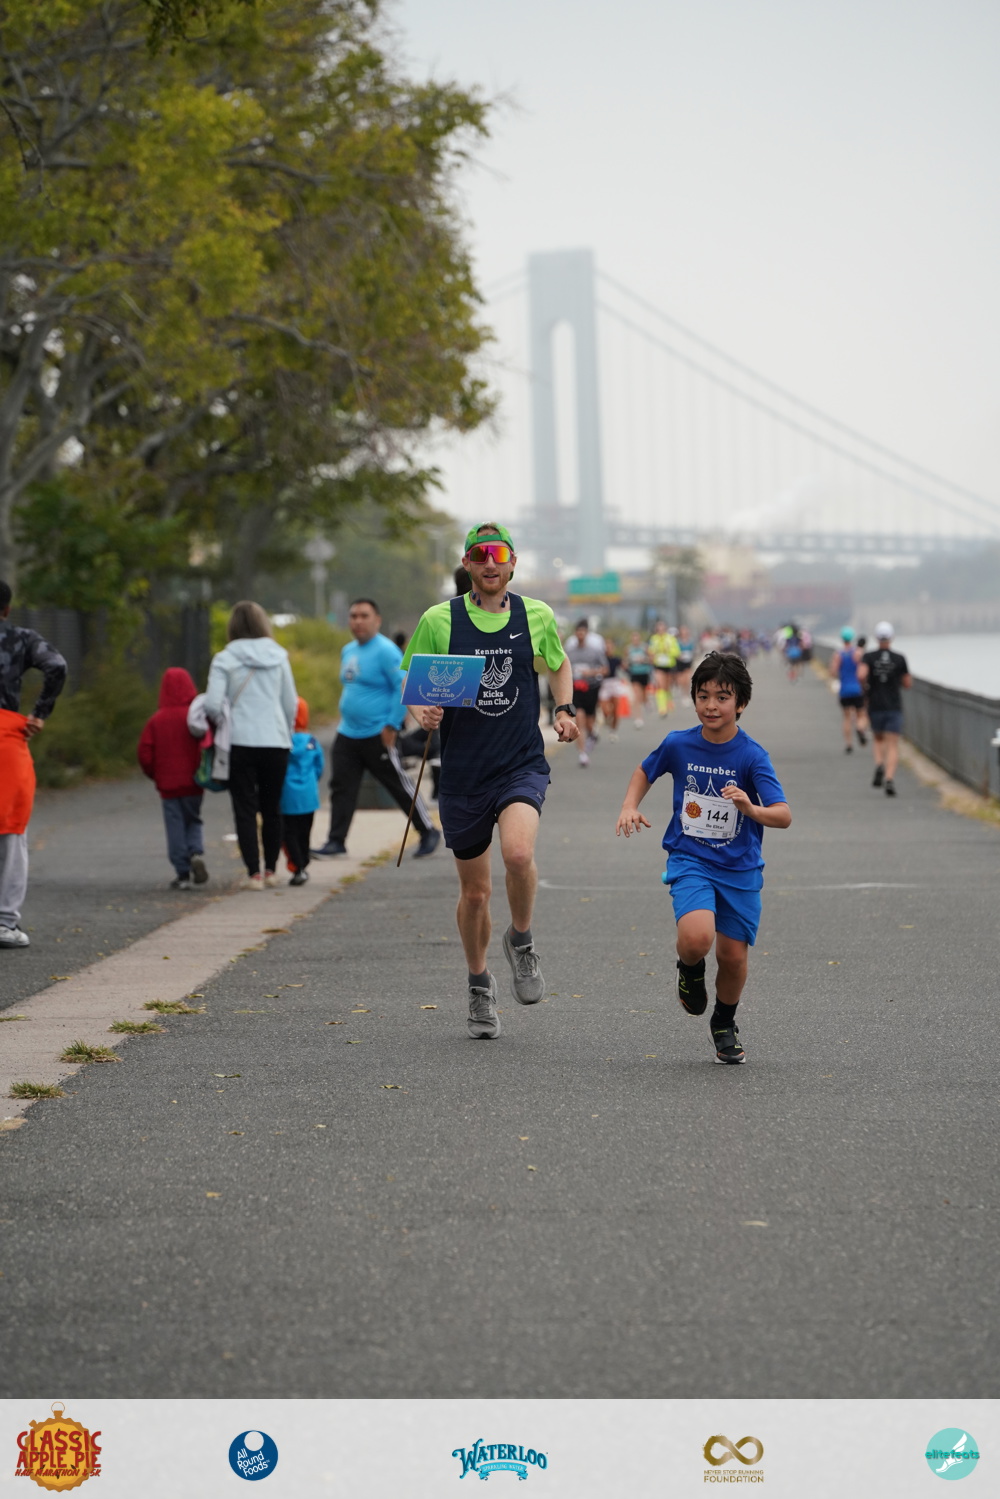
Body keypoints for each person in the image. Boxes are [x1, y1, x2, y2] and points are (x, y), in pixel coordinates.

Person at [403, 521, 580, 1039]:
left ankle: (521, 940)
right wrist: (422, 711)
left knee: (519, 854)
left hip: (519, 763)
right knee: (476, 894)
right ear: (467, 564)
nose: (488, 563)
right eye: (479, 555)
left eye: (498, 554)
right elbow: (413, 678)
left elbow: (558, 663)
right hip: (463, 772)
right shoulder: (440, 619)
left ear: (512, 563)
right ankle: (479, 984)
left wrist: (564, 708)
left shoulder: (534, 615)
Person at [615, 651, 791, 1065]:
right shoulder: (679, 743)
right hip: (690, 858)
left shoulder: (751, 756)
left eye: (722, 697)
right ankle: (690, 968)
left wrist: (750, 808)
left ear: (740, 703)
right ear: (693, 697)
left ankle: (724, 1021)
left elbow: (782, 815)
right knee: (697, 937)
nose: (711, 705)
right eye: (703, 696)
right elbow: (645, 770)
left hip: (740, 868)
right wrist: (629, 805)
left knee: (733, 957)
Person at [314, 598, 439, 859]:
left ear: (377, 620)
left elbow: (401, 687)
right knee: (341, 787)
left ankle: (428, 830)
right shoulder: (348, 650)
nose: (358, 621)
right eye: (353, 616)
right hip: (348, 733)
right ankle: (336, 841)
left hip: (378, 733)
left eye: (364, 616)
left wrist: (392, 724)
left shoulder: (386, 651)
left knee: (398, 785)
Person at [204, 601, 297, 889]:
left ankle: (253, 873)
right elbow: (290, 703)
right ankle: (271, 870)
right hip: (275, 741)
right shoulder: (279, 656)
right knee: (272, 807)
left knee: (244, 809)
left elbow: (211, 704)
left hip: (239, 742)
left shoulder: (224, 659)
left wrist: (225, 721)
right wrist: (286, 731)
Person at [0, 580, 67, 948]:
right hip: (5, 738)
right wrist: (40, 712)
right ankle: (4, 922)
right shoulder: (20, 639)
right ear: (7, 609)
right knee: (10, 830)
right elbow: (56, 665)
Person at [137, 668, 208, 890]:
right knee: (193, 819)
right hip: (194, 782)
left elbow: (144, 752)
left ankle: (182, 872)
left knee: (175, 825)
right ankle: (195, 851)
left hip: (168, 785)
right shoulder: (194, 719)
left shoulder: (156, 721)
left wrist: (155, 774)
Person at [859, 622, 911, 797]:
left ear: (876, 638)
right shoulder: (900, 658)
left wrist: (866, 687)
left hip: (875, 704)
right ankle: (889, 778)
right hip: (894, 706)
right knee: (893, 744)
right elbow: (907, 683)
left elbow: (861, 674)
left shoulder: (869, 657)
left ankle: (879, 764)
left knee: (878, 739)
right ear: (891, 638)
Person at [280, 697, 325, 885]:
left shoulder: (283, 741)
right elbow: (319, 767)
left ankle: (297, 866)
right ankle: (304, 861)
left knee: (289, 832)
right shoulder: (312, 742)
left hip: (287, 796)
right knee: (305, 831)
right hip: (308, 796)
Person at [565, 619, 608, 767]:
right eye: (578, 632)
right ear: (575, 633)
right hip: (576, 689)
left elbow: (605, 669)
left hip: (591, 688)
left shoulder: (594, 651)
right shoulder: (569, 652)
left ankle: (593, 734)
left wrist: (590, 672)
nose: (580, 635)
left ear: (587, 633)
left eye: (583, 632)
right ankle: (582, 754)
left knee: (590, 722)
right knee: (579, 720)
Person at [829, 627, 868, 753]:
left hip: (844, 689)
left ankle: (849, 744)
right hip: (857, 689)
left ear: (842, 639)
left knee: (846, 718)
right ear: (852, 638)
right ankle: (860, 728)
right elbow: (863, 672)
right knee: (861, 714)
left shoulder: (838, 654)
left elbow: (833, 672)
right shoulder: (858, 653)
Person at [648, 619, 678, 716]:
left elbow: (677, 652)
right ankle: (662, 708)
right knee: (660, 685)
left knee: (667, 686)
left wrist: (668, 651)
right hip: (658, 665)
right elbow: (650, 650)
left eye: (662, 628)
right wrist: (652, 655)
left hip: (669, 664)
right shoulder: (654, 639)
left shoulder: (671, 639)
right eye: (658, 628)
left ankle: (669, 700)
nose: (660, 630)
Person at [626, 630, 652, 727]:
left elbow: (651, 659)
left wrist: (644, 659)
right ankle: (638, 718)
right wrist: (628, 662)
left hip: (644, 673)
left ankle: (646, 701)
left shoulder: (644, 647)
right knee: (636, 696)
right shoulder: (628, 649)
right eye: (633, 639)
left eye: (637, 639)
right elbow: (625, 662)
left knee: (643, 695)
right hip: (634, 674)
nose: (635, 641)